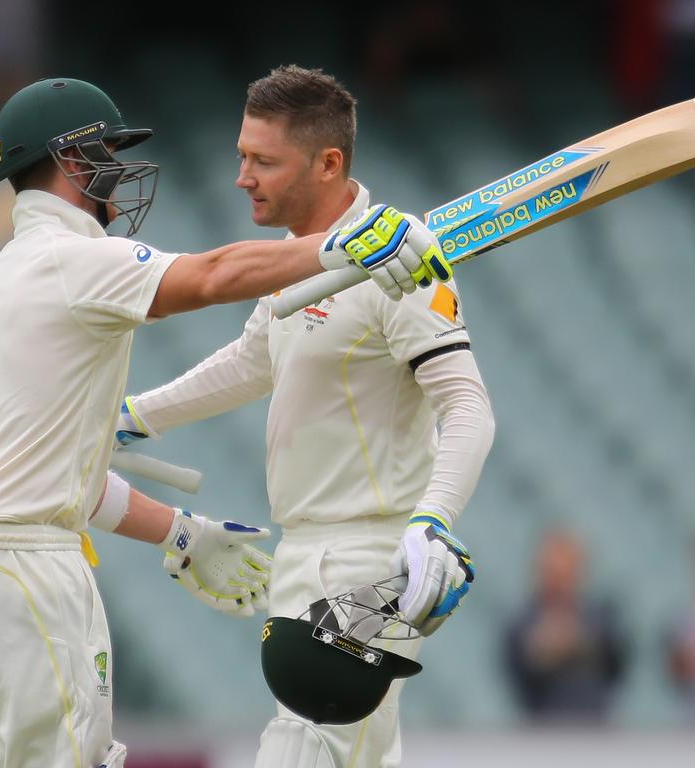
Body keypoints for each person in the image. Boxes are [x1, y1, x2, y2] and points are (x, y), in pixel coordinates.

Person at [0, 76, 449, 768]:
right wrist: (345, 248)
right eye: (108, 152)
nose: (120, 172)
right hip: (22, 566)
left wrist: (181, 531)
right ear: (74, 162)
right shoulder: (75, 260)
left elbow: (64, 482)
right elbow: (217, 275)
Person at [116, 65, 495, 768]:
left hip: (367, 560)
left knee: (300, 750)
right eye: (241, 156)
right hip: (304, 551)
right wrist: (131, 418)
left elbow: (468, 404)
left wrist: (433, 521)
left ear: (329, 163)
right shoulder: (299, 259)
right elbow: (251, 362)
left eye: (264, 160)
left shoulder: (400, 253)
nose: (242, 176)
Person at [503, 528, 626, 723]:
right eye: (554, 570)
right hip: (543, 730)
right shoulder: (521, 624)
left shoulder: (600, 617)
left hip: (594, 731)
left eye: (566, 569)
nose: (560, 579)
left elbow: (618, 662)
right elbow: (518, 671)